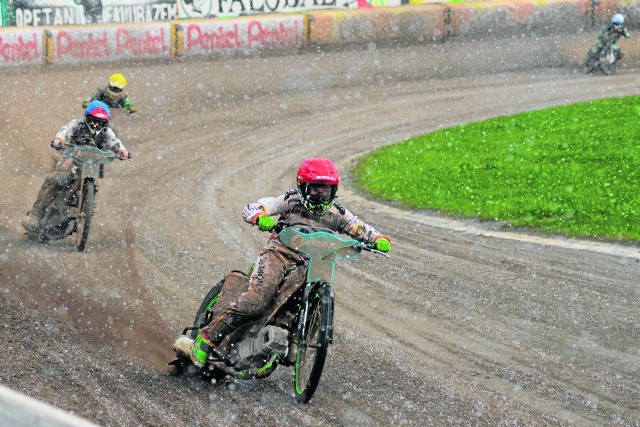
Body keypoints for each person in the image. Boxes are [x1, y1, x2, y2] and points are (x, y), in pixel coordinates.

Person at [173, 157, 392, 367]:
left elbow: (358, 227)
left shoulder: (338, 213)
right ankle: (205, 339)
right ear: (302, 187)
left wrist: (378, 239)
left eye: (326, 190)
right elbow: (253, 207)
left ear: (334, 191)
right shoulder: (289, 200)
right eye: (314, 189)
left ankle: (295, 340)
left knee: (302, 298)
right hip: (278, 255)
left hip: (310, 264)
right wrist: (260, 216)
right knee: (259, 299)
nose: (320, 195)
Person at [21, 100, 129, 231]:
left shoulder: (107, 131)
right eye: (93, 120)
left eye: (100, 122)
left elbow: (115, 142)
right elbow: (65, 130)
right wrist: (59, 139)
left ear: (105, 123)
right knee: (56, 179)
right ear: (87, 117)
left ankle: (79, 212)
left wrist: (122, 151)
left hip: (92, 164)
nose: (96, 124)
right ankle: (35, 215)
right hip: (72, 157)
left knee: (95, 188)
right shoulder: (77, 124)